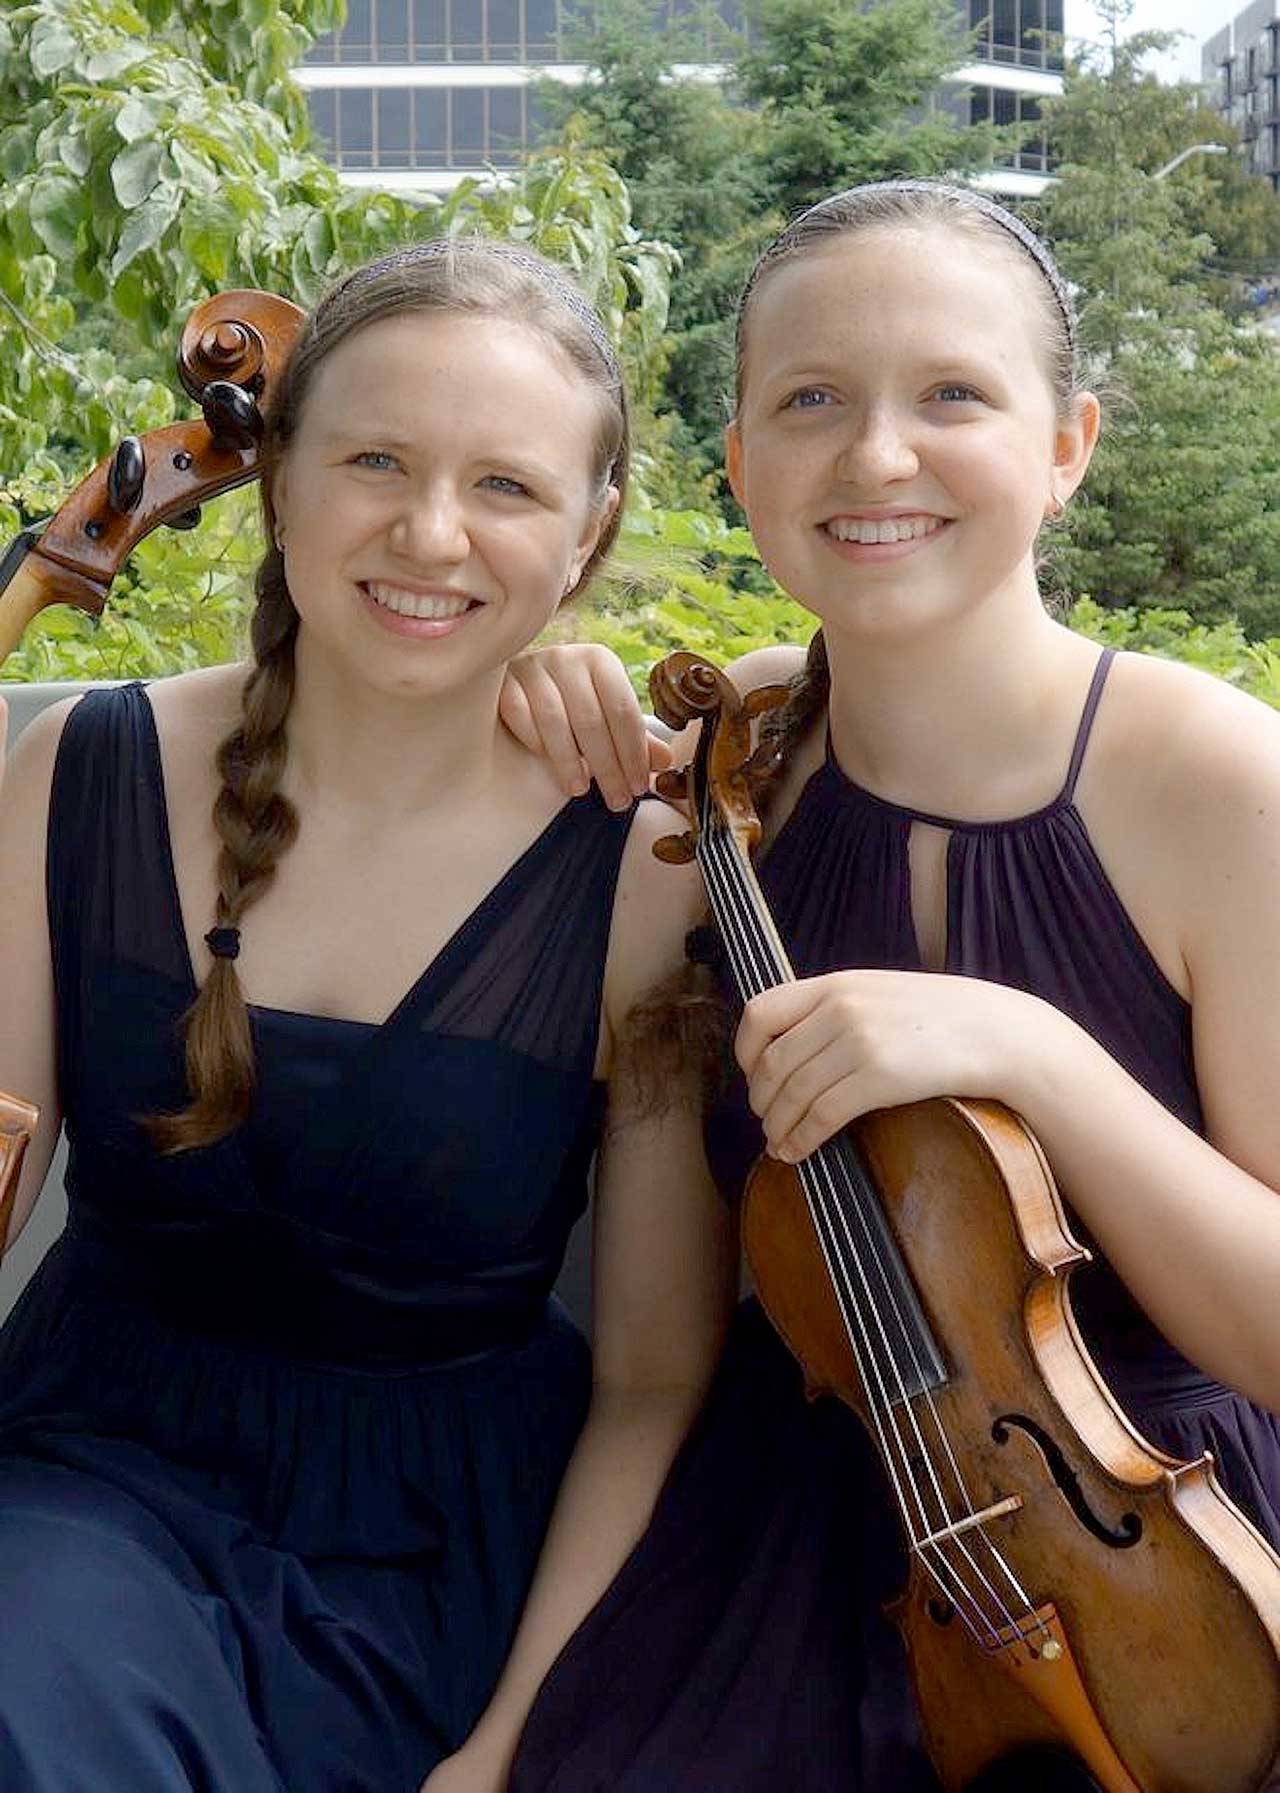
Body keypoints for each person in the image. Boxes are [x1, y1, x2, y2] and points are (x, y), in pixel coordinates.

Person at [501, 180, 1280, 1788]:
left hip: (1178, 1556)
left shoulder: (1217, 782)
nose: (874, 456)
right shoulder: (716, 807)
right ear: (738, 467)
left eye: (952, 395)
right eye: (810, 401)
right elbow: (656, 1369)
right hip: (808, 1548)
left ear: (1067, 444)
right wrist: (504, 1740)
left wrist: (1039, 1054)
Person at [0, 238, 737, 1792]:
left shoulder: (642, 863)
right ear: (276, 482)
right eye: (376, 460)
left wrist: (513, 1741)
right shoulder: (74, 769)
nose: (430, 532)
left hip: (446, 1555)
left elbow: (654, 1377)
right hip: (79, 1479)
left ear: (593, 530)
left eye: (508, 487)